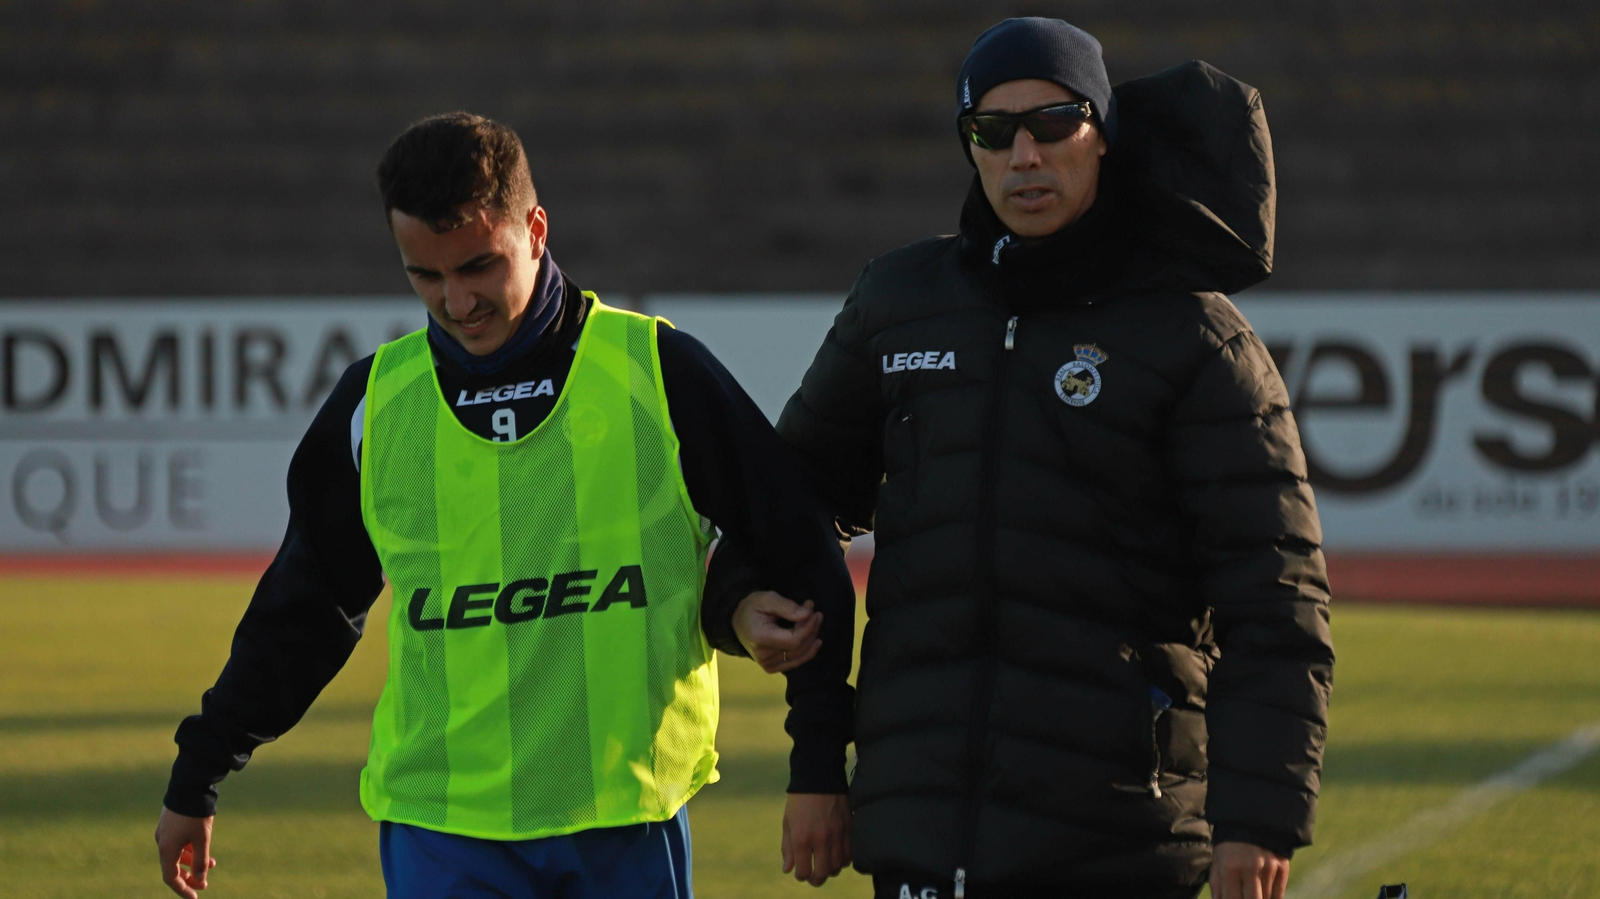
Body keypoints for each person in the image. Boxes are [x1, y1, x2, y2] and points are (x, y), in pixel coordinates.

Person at [153, 112, 854, 899]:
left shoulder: (656, 371)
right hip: (443, 829)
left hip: (625, 820)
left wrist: (818, 766)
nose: (457, 301)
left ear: (537, 229)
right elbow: (304, 609)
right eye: (425, 275)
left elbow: (801, 551)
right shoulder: (376, 405)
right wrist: (200, 769)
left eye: (480, 266)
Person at [709, 18, 1335, 899]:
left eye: (1054, 123)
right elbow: (790, 498)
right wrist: (742, 606)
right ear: (970, 145)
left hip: (1118, 839)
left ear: (1103, 131)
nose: (1024, 155)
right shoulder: (900, 301)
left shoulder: (1197, 339)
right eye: (993, 133)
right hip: (918, 828)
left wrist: (1258, 818)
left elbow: (1278, 598)